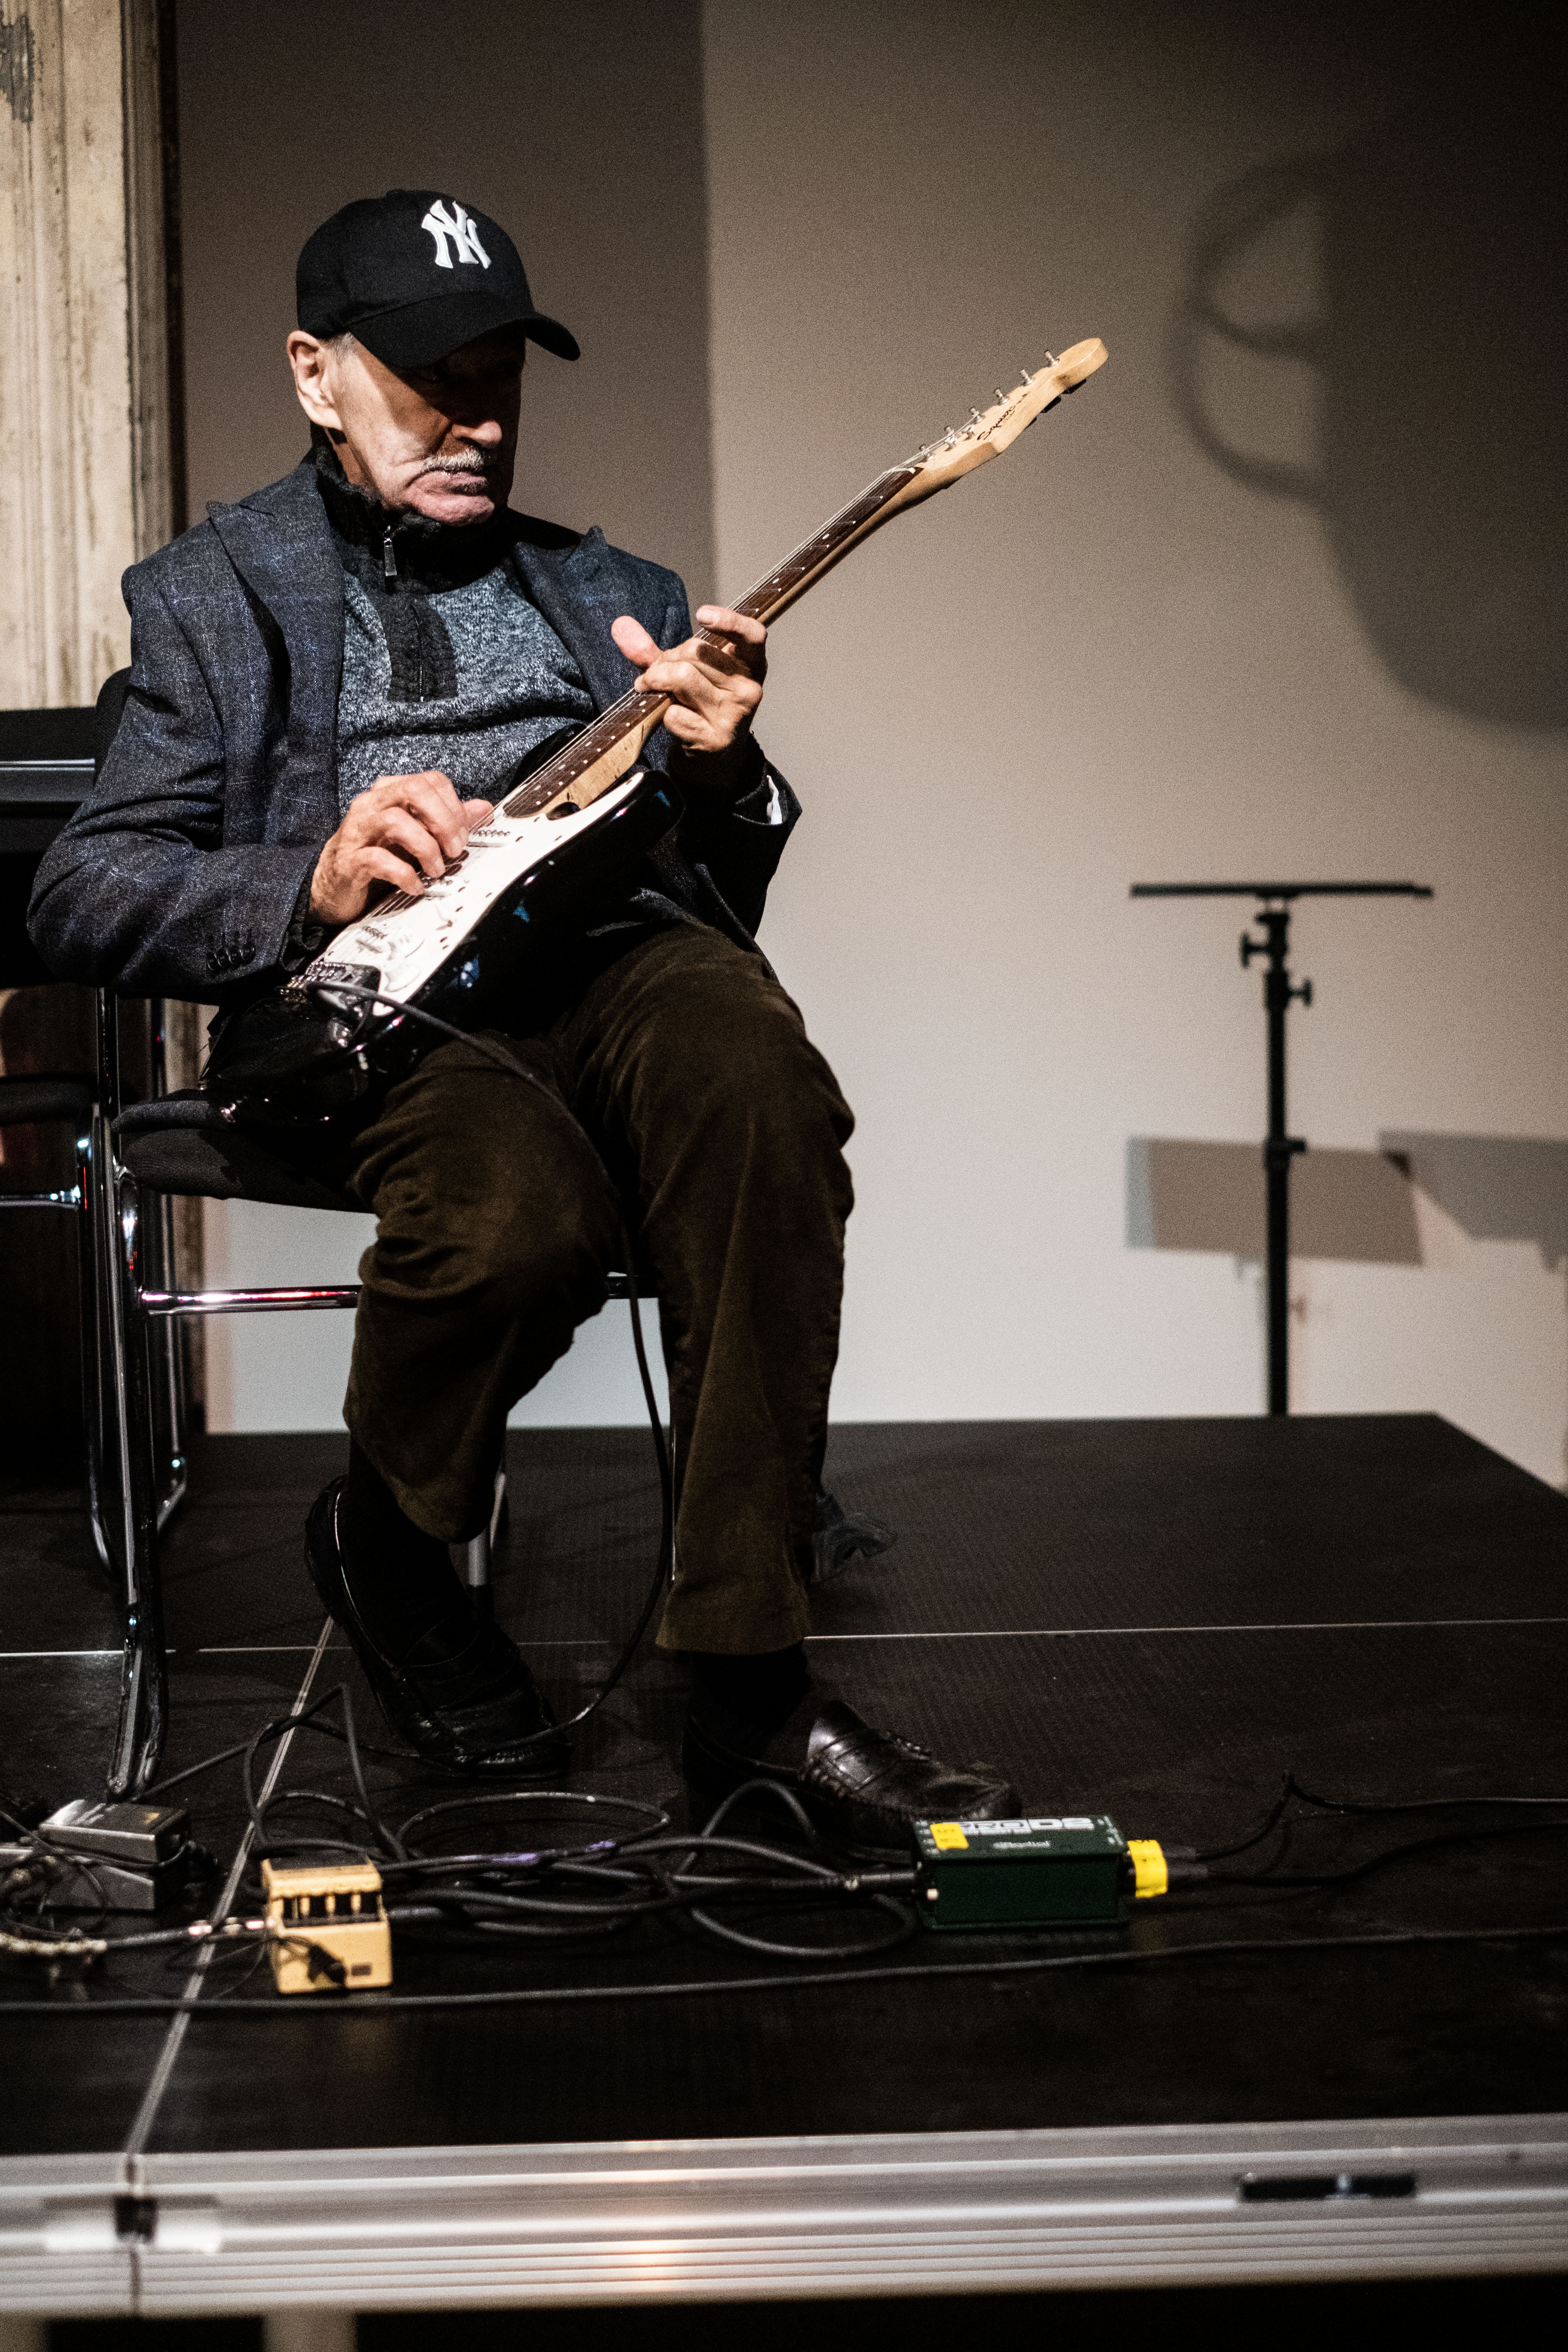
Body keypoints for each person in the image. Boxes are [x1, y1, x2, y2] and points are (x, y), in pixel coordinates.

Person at [31, 190, 1016, 1848]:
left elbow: (719, 880)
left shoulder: (607, 586)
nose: (476, 419)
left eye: (497, 377)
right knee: (510, 1219)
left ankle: (748, 1689)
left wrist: (715, 764)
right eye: (428, 378)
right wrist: (312, 874)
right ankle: (394, 1547)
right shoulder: (216, 596)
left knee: (755, 1075)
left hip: (609, 958)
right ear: (313, 373)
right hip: (380, 1018)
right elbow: (86, 889)